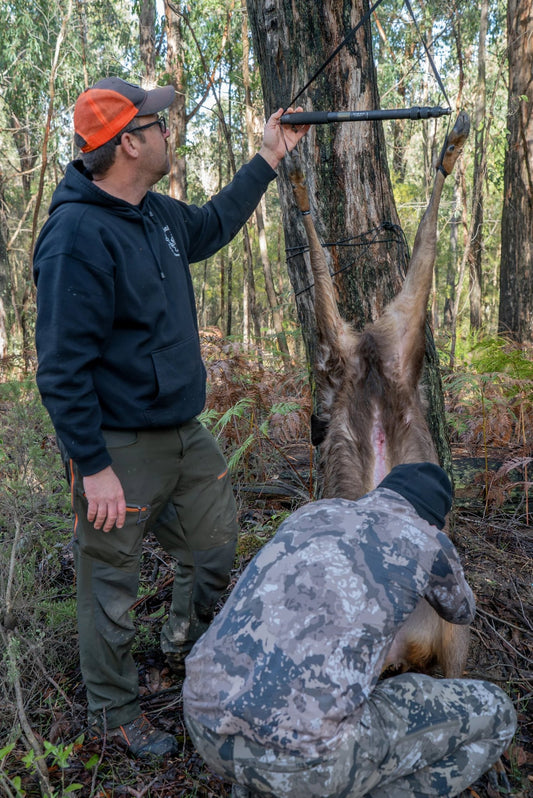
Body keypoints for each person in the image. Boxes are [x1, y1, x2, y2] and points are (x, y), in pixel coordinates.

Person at [33, 76, 309, 759]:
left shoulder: (155, 213)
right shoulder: (75, 236)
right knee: (110, 585)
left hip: (184, 432)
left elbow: (212, 225)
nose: (167, 132)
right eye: (156, 125)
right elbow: (61, 369)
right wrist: (93, 466)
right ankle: (114, 714)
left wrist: (269, 155)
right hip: (118, 447)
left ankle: (184, 644)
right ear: (129, 143)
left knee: (213, 547)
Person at [183, 462, 517, 797]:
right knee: (497, 711)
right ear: (434, 519)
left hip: (204, 725)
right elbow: (462, 612)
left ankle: (259, 785)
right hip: (308, 759)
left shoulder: (311, 513)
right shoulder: (427, 538)